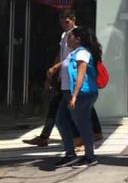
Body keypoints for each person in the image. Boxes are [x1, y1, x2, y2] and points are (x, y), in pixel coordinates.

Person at [26, 10, 102, 148]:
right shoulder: (64, 36)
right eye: (61, 21)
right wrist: (55, 70)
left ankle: (83, 139)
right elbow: (62, 55)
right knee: (71, 107)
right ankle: (92, 133)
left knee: (69, 108)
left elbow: (74, 57)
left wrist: (56, 68)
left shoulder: (77, 36)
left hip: (73, 78)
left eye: (66, 21)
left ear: (73, 19)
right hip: (65, 76)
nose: (64, 24)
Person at [51, 26, 103, 168]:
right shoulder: (73, 53)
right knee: (61, 121)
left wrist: (74, 96)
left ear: (77, 39)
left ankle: (90, 157)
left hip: (80, 94)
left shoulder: (82, 54)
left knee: (82, 123)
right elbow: (66, 66)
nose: (68, 39)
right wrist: (55, 68)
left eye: (70, 37)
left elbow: (81, 75)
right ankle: (70, 154)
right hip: (68, 93)